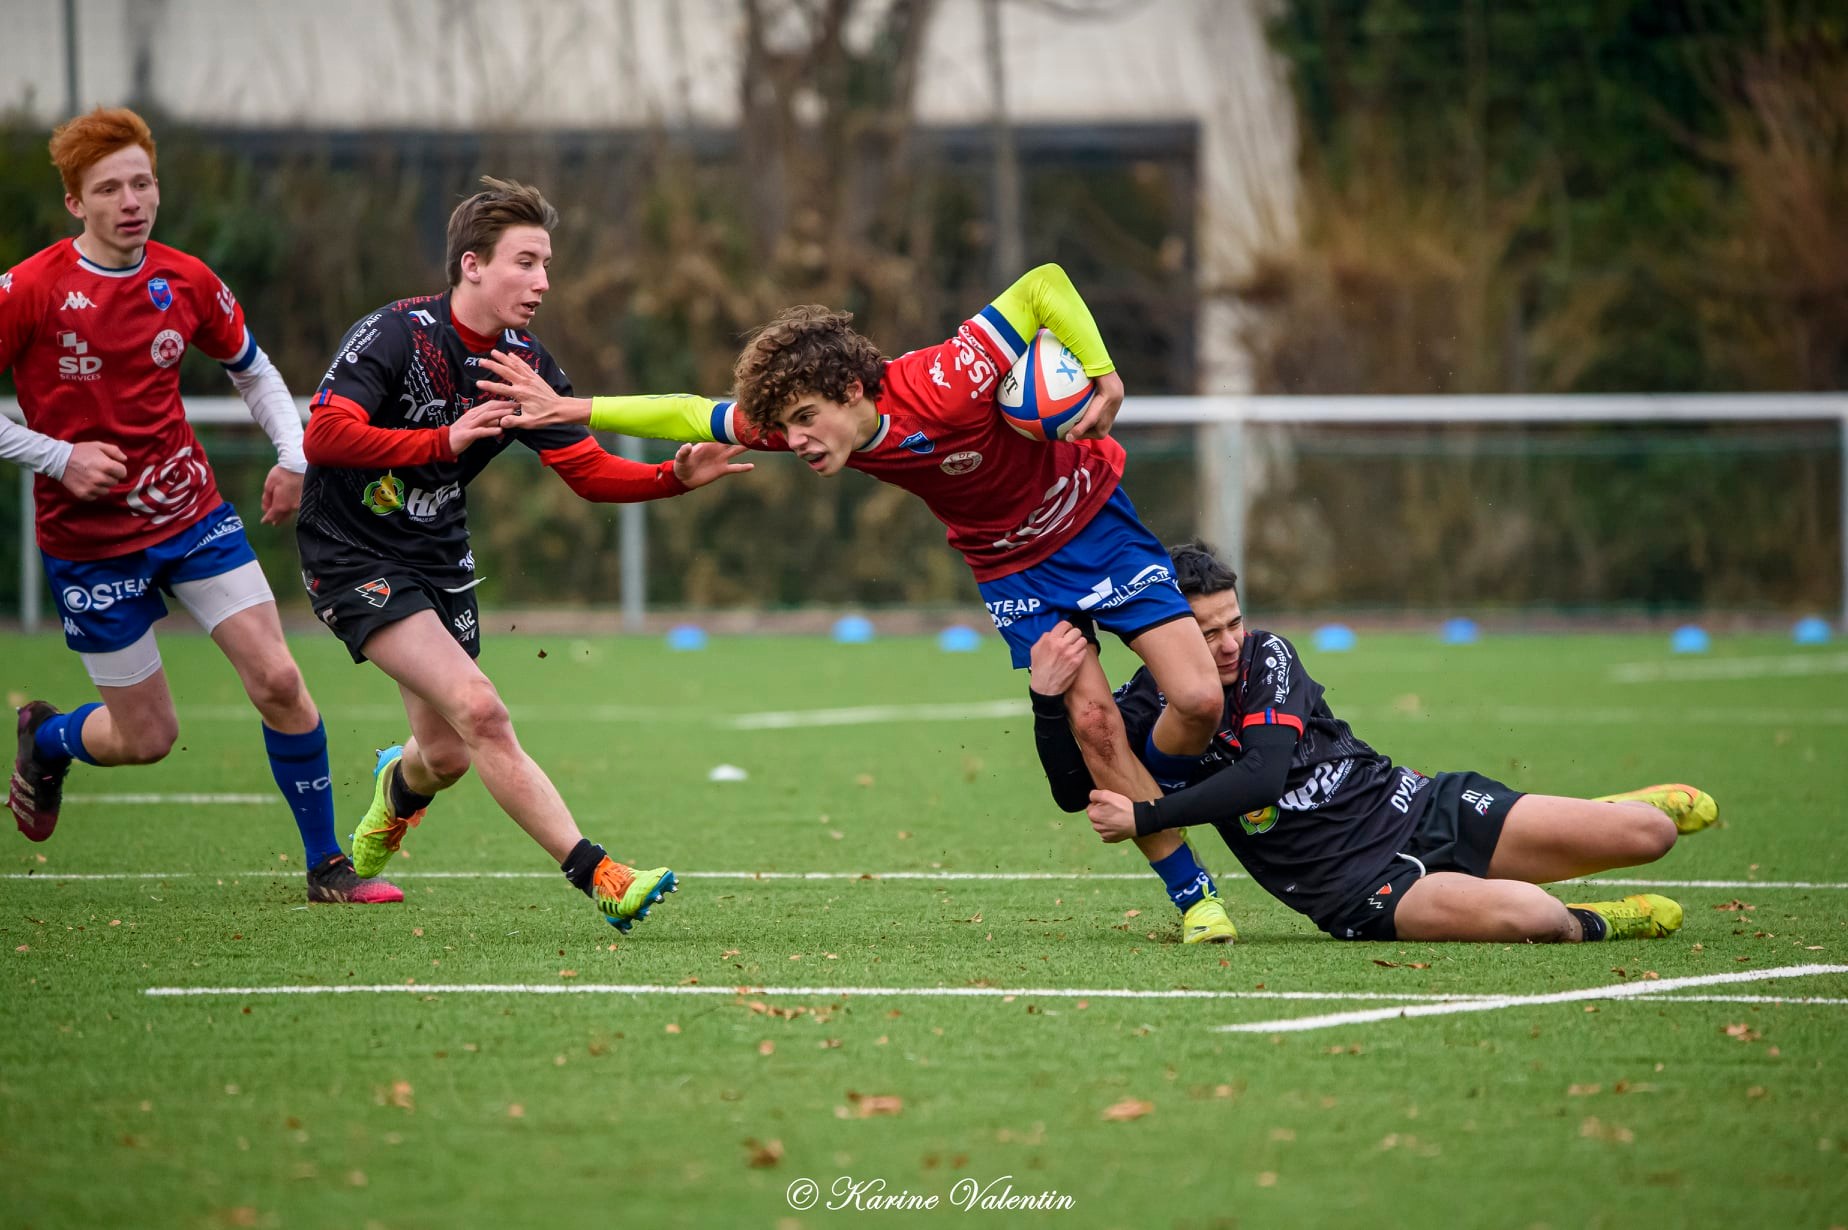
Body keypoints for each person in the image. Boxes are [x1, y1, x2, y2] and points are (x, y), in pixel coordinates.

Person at [476, 265, 1238, 943]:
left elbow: (1043, 285)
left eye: (806, 420)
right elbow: (686, 411)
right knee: (1095, 722)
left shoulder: (948, 377)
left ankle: (1151, 791)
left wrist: (1103, 376)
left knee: (1200, 698)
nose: (795, 441)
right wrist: (573, 412)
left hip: (1099, 522)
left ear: (849, 392)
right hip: (1014, 572)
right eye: (783, 428)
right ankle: (1193, 894)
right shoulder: (796, 424)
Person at [297, 176, 752, 931]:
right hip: (352, 551)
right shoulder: (395, 334)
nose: (542, 282)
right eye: (525, 262)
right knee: (483, 710)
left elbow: (588, 472)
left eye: (546, 265)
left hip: (437, 555)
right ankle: (601, 874)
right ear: (471, 265)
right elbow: (324, 435)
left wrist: (673, 476)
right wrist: (439, 441)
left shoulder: (519, 360)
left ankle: (395, 786)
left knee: (443, 754)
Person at [1, 107, 400, 904]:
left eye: (142, 182)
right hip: (88, 542)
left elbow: (253, 370)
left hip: (192, 519)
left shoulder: (185, 280)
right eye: (109, 188)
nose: (131, 200)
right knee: (148, 739)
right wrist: (57, 456)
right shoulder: (30, 290)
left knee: (281, 680)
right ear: (76, 203)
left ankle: (327, 867)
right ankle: (47, 740)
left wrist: (295, 455)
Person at [1029, 540, 1719, 944]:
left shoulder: (1269, 657)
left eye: (1233, 621)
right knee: (1534, 916)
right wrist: (1046, 701)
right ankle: (1601, 923)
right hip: (1358, 888)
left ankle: (1607, 809)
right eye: (1207, 633)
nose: (1229, 642)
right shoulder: (1147, 709)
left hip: (1421, 805)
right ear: (1168, 636)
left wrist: (1147, 816)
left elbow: (1264, 776)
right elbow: (1073, 788)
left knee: (1649, 835)